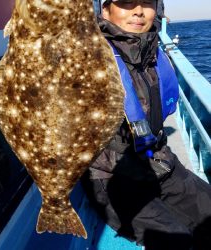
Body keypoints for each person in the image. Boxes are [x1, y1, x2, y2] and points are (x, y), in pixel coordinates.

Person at [81, 1, 211, 249]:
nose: (138, 11)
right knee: (177, 243)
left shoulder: (152, 52)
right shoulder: (85, 56)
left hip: (159, 162)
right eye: (127, 3)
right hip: (112, 178)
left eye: (147, 3)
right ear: (105, 10)